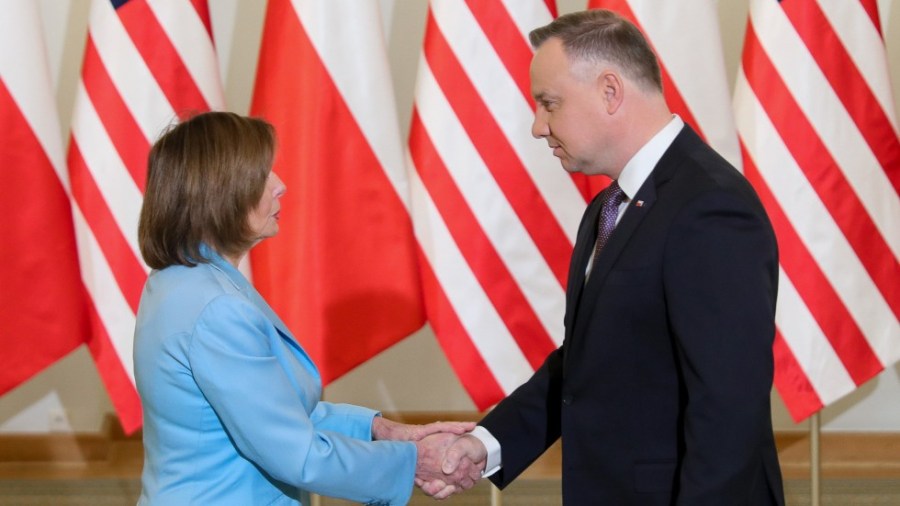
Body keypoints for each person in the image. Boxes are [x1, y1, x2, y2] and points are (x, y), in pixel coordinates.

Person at [436, 9, 786, 505]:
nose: (538, 127)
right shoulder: (608, 206)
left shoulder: (710, 207)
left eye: (549, 103)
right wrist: (485, 444)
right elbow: (588, 366)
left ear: (609, 91)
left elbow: (728, 409)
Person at [133, 111, 479, 505]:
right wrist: (413, 461)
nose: (279, 186)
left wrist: (379, 430)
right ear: (220, 191)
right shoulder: (216, 307)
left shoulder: (179, 282)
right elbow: (297, 455)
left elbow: (270, 413)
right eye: (262, 174)